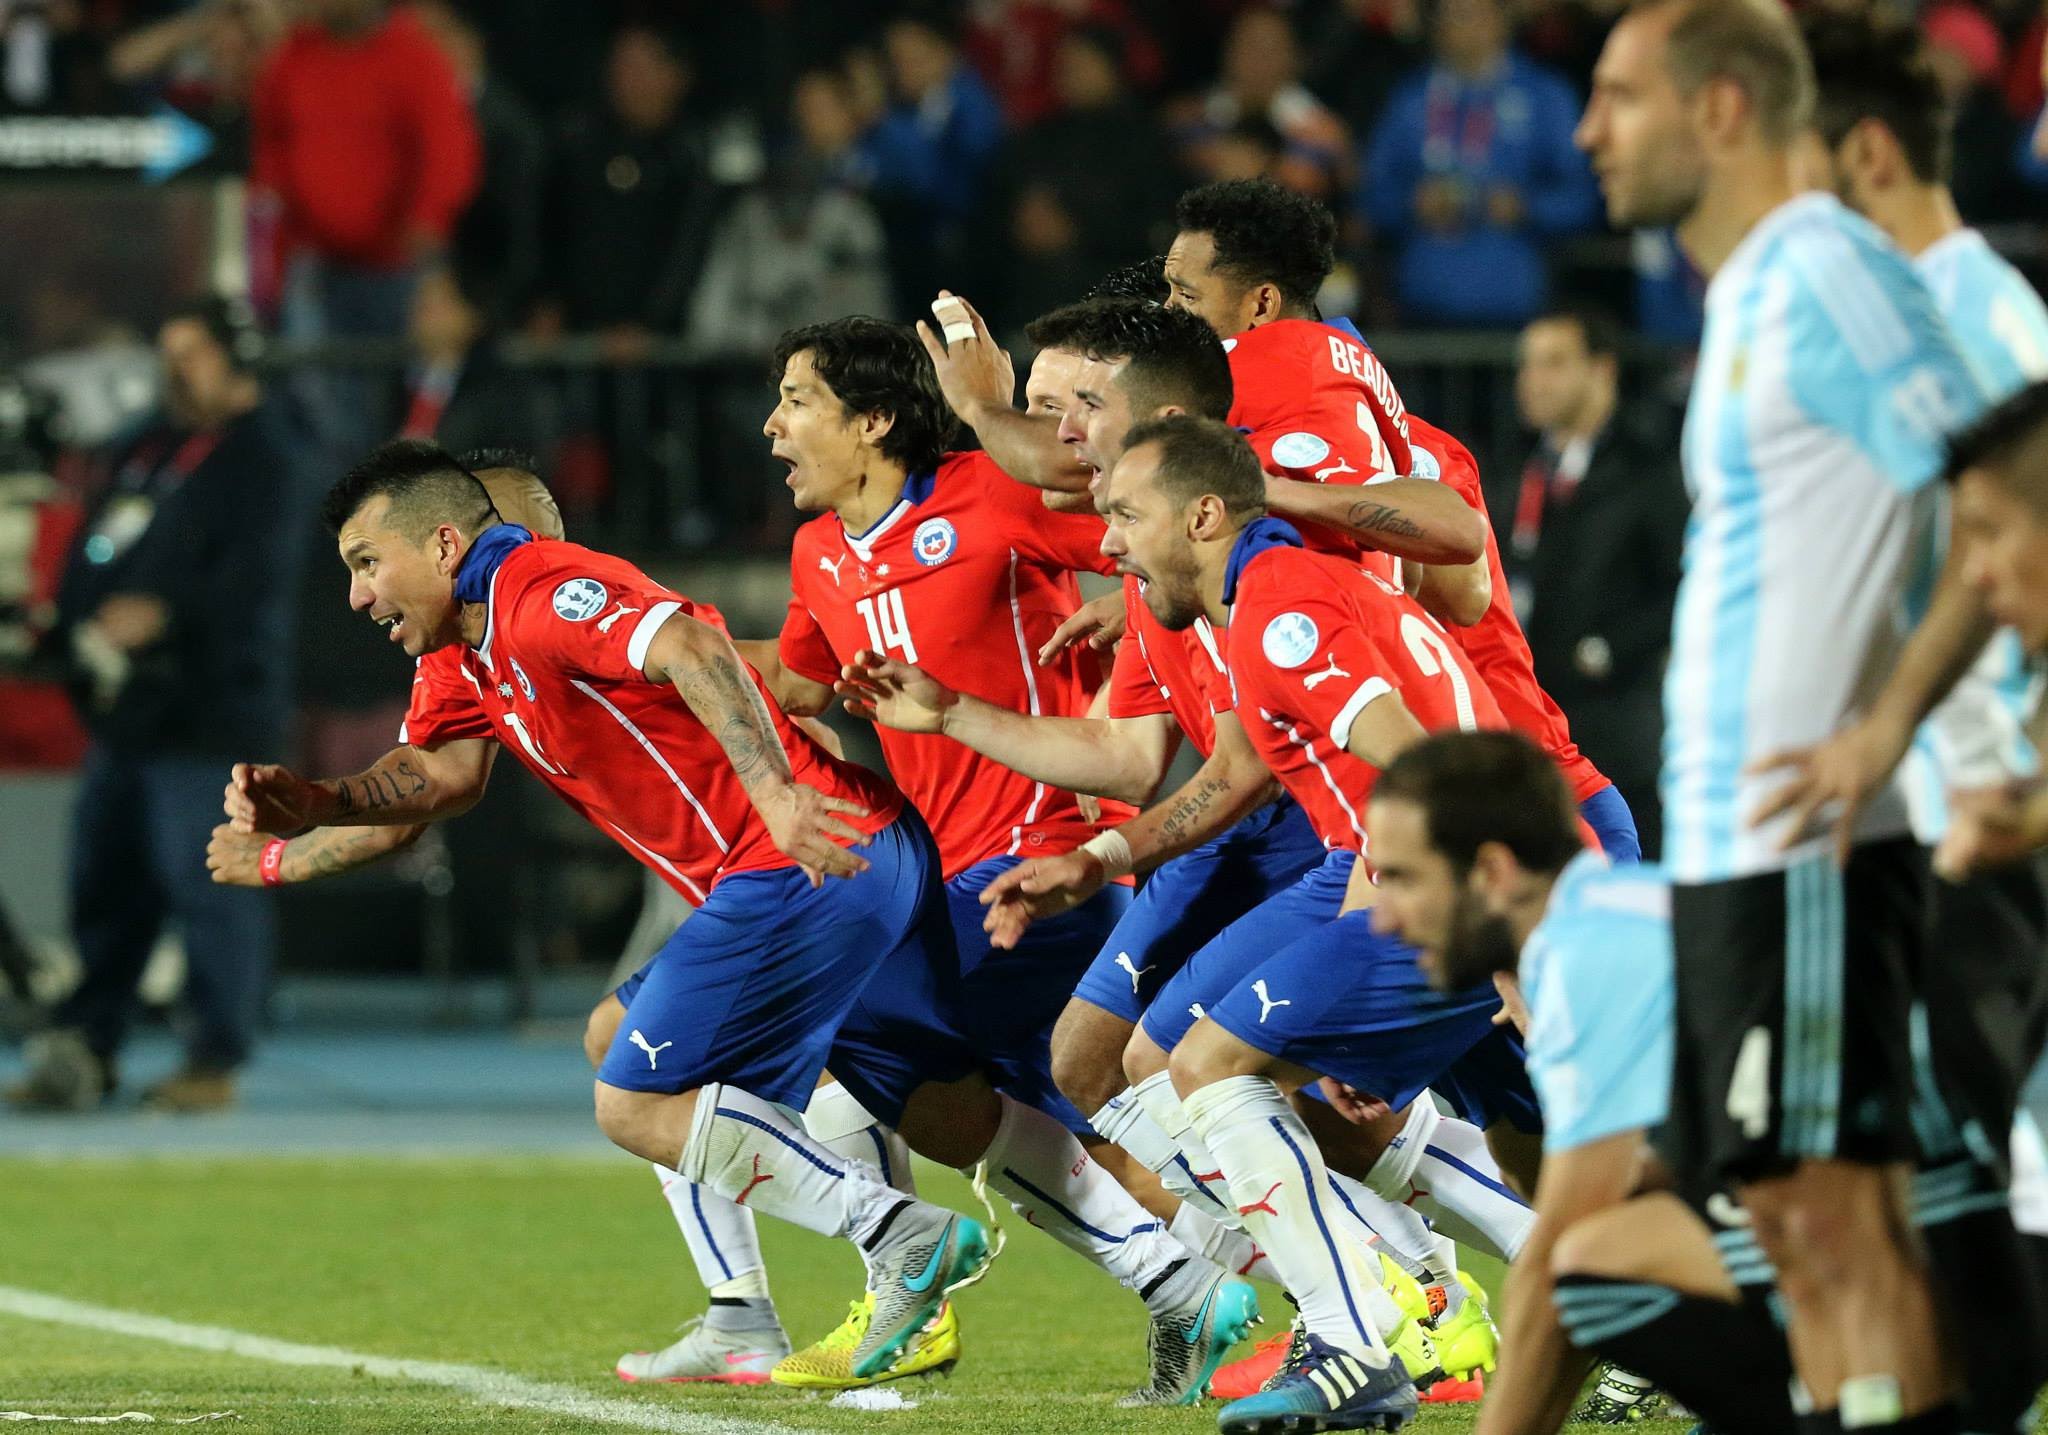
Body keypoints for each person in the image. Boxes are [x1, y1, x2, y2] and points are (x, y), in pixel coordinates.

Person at [232, 439, 1241, 1399]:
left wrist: (772, 797)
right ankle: (1180, 1287)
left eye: (368, 563)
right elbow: (438, 778)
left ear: (450, 538)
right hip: (859, 851)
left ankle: (885, 1241)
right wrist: (308, 815)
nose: (357, 594)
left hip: (795, 865)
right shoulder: (466, 644)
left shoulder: (540, 589)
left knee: (632, 1095)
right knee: (947, 1107)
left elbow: (688, 642)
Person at [1574, 1, 1988, 1428]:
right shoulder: (1750, 292)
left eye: (1620, 97)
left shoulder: (1827, 266)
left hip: (1809, 853)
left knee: (1828, 1214)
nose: (1589, 132)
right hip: (1740, 850)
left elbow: (2015, 488)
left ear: (1726, 108)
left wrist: (1888, 726)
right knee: (1797, 1216)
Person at [738, 316, 1254, 1404]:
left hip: (1041, 859)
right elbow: (794, 683)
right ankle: (1199, 1293)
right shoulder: (817, 552)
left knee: (840, 1016)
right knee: (1068, 1131)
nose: (771, 425)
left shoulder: (991, 493)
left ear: (872, 418)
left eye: (795, 400)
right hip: (949, 883)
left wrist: (1132, 601)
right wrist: (641, 652)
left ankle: (903, 1278)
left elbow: (1155, 533)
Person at [1084, 416, 1540, 1435]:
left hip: (1471, 895)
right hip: (1468, 887)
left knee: (1203, 1066)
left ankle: (1354, 1337)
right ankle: (1723, 1358)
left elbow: (1416, 767)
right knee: (1571, 1167)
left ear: (1203, 514)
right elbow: (1348, 801)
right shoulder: (1273, 594)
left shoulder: (1280, 611)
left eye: (1124, 512)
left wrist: (1504, 943)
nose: (1106, 540)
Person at [1161, 179, 1641, 864]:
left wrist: (1288, 499)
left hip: (1536, 797)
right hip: (1440, 811)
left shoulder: (1417, 452)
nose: (1168, 323)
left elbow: (1464, 591)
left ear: (1264, 312)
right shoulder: (1297, 435)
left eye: (1185, 300)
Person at [1367, 729, 1798, 1435]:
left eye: (1403, 878)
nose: (1381, 917)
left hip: (1929, 1271)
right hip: (1920, 1245)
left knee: (1585, 1259)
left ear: (1492, 871)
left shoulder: (1587, 954)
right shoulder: (1609, 922)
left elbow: (1563, 1254)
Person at [5, 298, 307, 1114]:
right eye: (169, 352)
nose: (177, 371)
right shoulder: (147, 444)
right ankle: (88, 1047)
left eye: (194, 353)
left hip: (210, 712)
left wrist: (165, 614)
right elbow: (95, 545)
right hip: (127, 713)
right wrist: (70, 626)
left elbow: (255, 579)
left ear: (237, 357)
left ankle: (214, 1058)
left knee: (208, 887)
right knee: (105, 886)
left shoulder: (268, 455)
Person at [254, 0, 479, 454]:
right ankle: (338, 516)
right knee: (319, 414)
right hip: (317, 267)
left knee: (408, 416)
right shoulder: (293, 57)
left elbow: (448, 159)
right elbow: (270, 153)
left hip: (400, 269)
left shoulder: (412, 56)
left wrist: (428, 248)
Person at [1507, 303, 1686, 858]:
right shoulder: (1525, 467)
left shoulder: (1649, 467)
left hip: (1620, 731)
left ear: (1602, 370)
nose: (1533, 381)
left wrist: (1608, 651)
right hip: (1538, 723)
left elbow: (1682, 585)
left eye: (1554, 363)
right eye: (1527, 365)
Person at [1360, 0, 1598, 327]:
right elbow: (1370, 194)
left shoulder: (1545, 96)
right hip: (1420, 318)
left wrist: (1525, 207)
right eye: (1448, 16)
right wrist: (1412, 203)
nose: (1458, 26)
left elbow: (1583, 196)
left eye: (1471, 14)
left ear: (1503, 18)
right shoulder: (1410, 99)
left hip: (1519, 316)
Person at [539, 21, 717, 356]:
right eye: (619, 67)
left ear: (675, 76)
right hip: (576, 338)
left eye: (639, 68)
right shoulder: (578, 144)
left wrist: (650, 323)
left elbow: (687, 250)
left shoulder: (688, 158)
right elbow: (553, 229)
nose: (625, 80)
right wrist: (547, 300)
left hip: (659, 350)